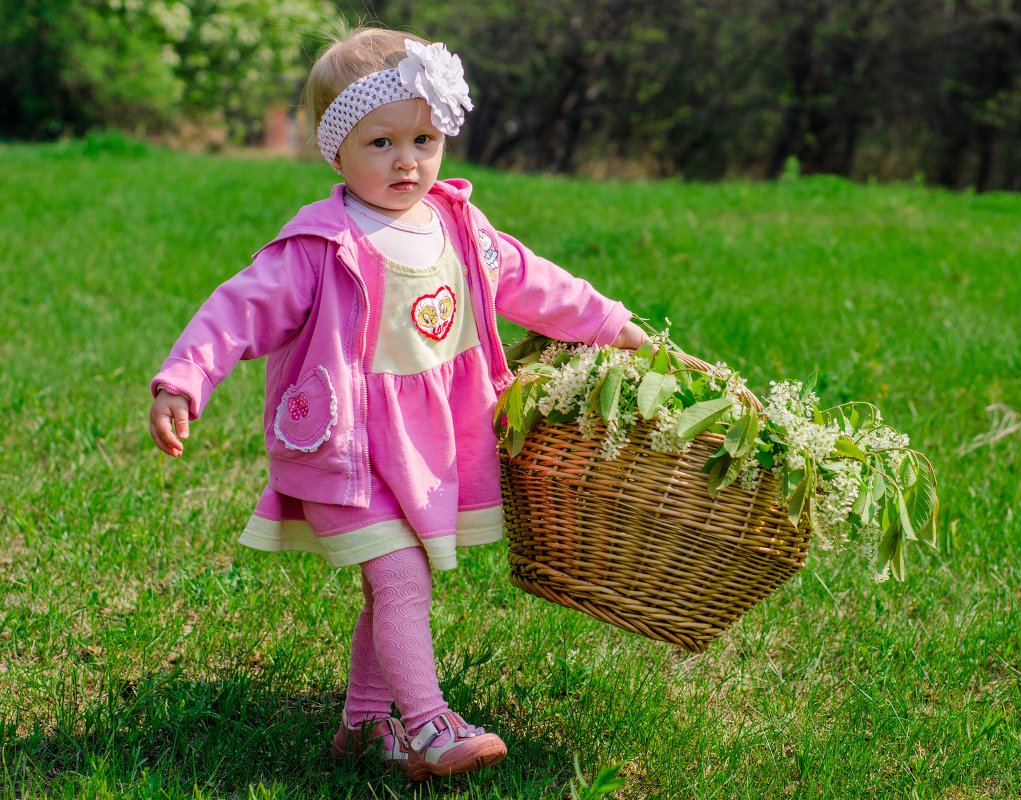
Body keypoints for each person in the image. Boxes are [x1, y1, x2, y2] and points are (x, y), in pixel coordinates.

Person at [147, 25, 647, 781]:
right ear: (336, 151)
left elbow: (539, 285)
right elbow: (236, 311)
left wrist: (618, 328)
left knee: (396, 585)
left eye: (423, 137)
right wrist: (183, 379)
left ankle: (361, 725)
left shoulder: (458, 227)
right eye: (381, 144)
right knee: (401, 578)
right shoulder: (319, 246)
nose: (407, 160)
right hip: (349, 448)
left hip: (429, 446)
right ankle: (427, 725)